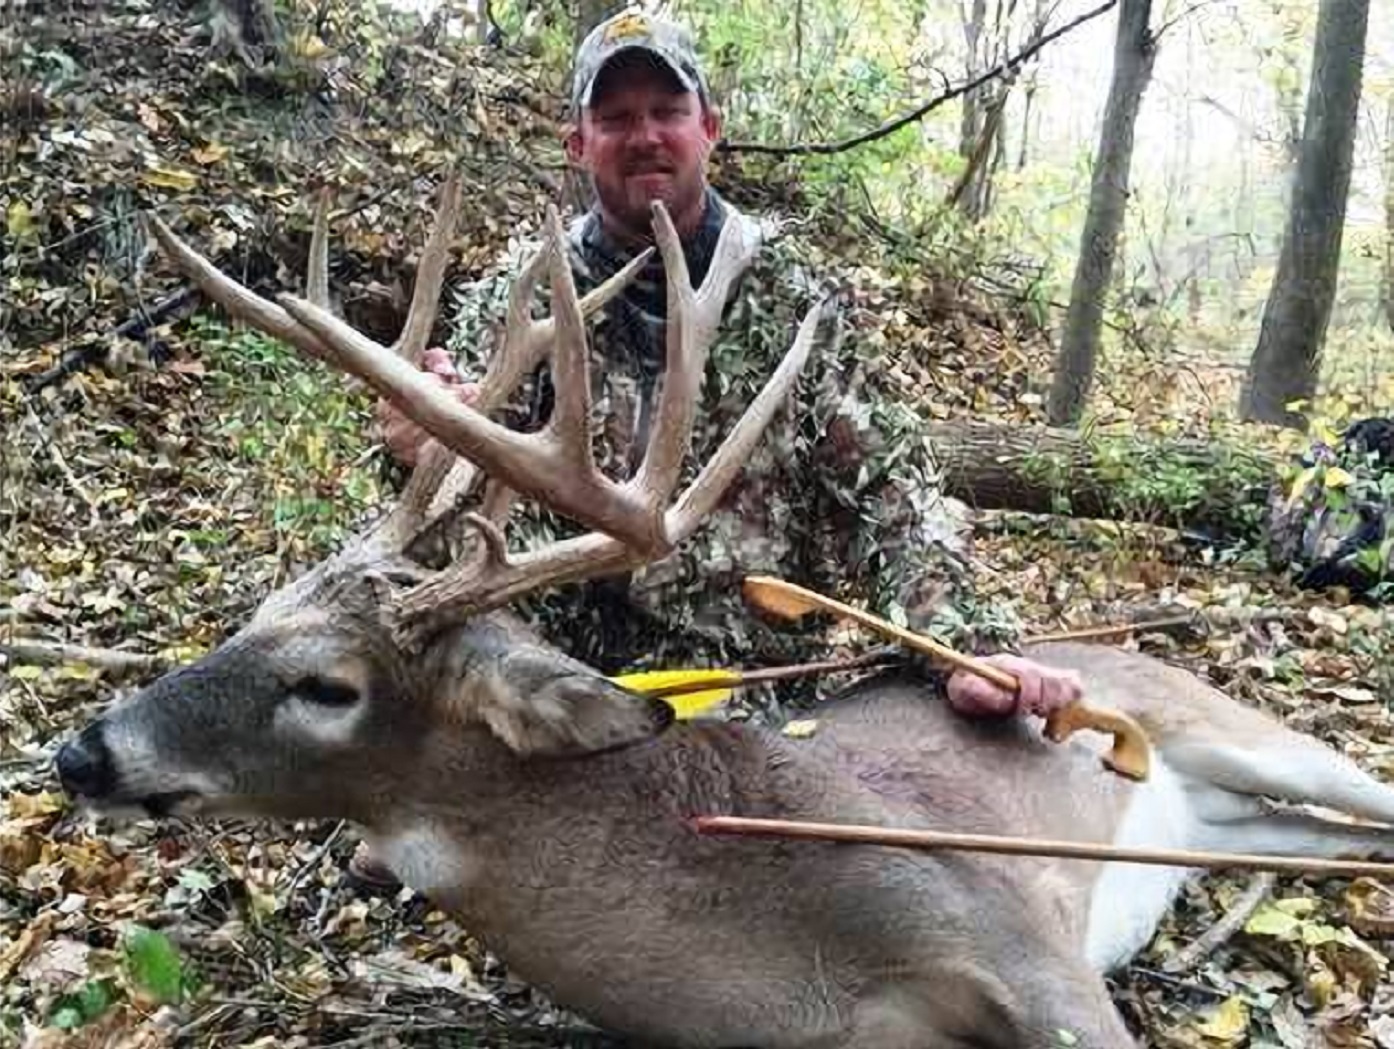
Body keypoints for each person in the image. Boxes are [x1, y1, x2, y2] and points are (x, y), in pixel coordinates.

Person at [355, 7, 1081, 889]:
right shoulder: (526, 290)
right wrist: (424, 449)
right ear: (578, 143)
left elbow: (895, 501)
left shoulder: (794, 295)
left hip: (753, 674)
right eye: (615, 118)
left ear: (710, 129)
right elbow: (443, 541)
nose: (644, 135)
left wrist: (962, 644)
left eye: (666, 110)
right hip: (556, 670)